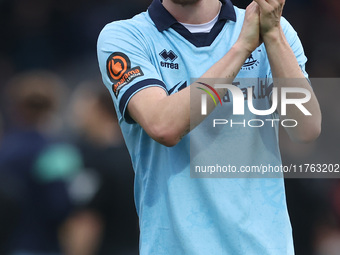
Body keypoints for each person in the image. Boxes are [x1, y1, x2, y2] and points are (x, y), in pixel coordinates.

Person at [97, 0, 322, 254]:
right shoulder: (126, 36)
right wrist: (243, 47)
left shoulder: (275, 30)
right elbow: (163, 125)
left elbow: (306, 129)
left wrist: (272, 34)